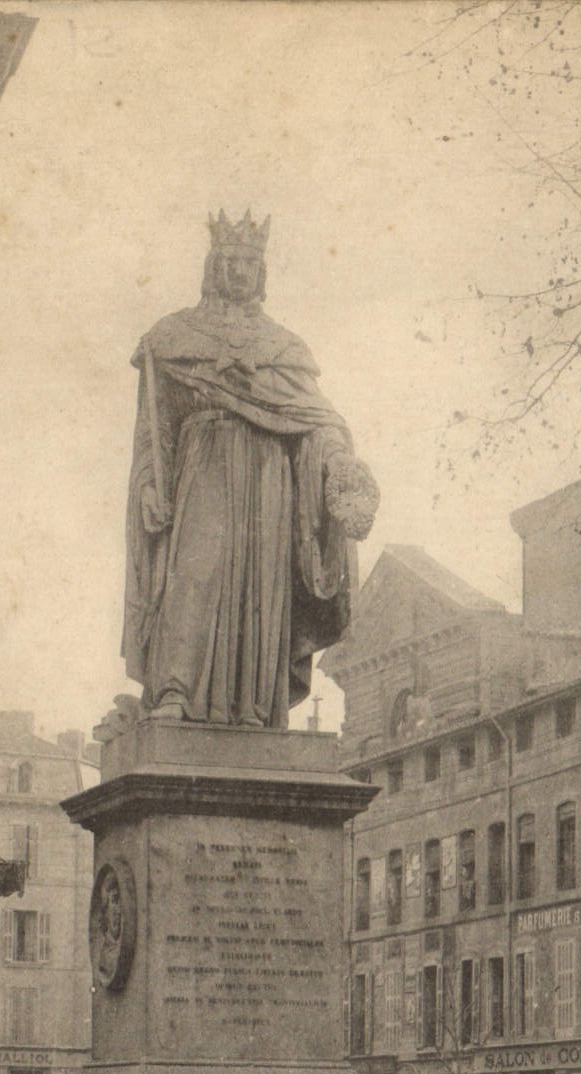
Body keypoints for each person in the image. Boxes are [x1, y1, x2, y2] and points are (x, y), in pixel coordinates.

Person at [123, 210, 378, 727]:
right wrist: (151, 482)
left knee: (263, 592)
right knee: (193, 575)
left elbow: (317, 421)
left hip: (269, 483)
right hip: (204, 470)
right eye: (230, 260)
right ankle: (175, 690)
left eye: (249, 263)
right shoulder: (173, 337)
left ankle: (256, 706)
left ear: (261, 273)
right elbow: (155, 431)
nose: (239, 271)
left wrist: (339, 464)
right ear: (213, 266)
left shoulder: (283, 349)